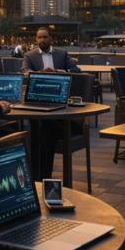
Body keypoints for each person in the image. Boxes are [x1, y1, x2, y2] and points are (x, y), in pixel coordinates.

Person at [20, 28, 82, 179]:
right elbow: (24, 72)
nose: (42, 40)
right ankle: (39, 177)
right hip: (39, 99)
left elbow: (76, 70)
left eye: (45, 37)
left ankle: (38, 177)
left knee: (42, 134)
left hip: (59, 99)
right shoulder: (29, 55)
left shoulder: (62, 53)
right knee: (43, 133)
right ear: (36, 39)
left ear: (50, 38)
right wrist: (39, 74)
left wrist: (56, 72)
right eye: (39, 38)